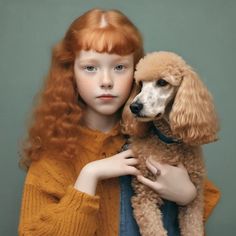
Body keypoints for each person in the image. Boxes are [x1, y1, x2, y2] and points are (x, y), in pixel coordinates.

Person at [18, 8, 220, 236]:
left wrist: (188, 197)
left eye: (119, 67)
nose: (106, 81)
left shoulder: (162, 140)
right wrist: (89, 175)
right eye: (90, 68)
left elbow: (196, 208)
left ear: (137, 71)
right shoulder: (51, 158)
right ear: (70, 73)